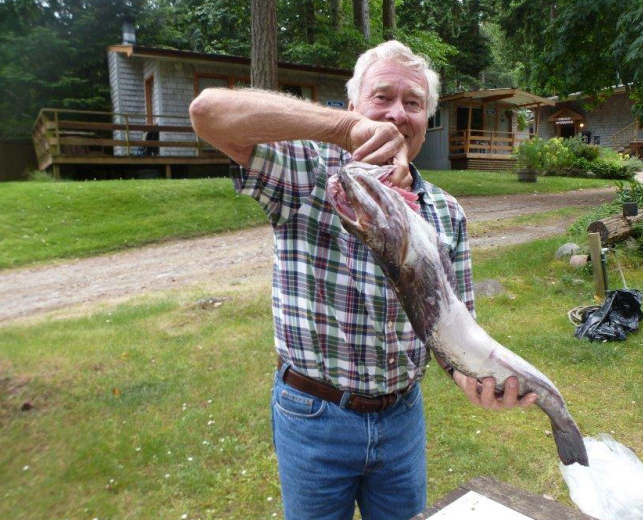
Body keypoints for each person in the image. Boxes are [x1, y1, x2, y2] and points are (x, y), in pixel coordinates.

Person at [189, 40, 536, 520]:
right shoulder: (309, 173)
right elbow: (209, 113)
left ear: (426, 120)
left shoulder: (445, 211)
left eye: (413, 103)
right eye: (382, 97)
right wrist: (344, 129)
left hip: (402, 420)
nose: (397, 113)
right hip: (314, 417)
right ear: (354, 104)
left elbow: (454, 330)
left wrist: (471, 377)